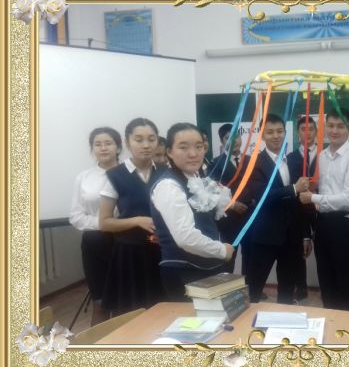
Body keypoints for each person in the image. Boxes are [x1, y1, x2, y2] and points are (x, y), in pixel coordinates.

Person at [150, 123, 234, 300]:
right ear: (169, 151)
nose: (193, 154)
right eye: (183, 147)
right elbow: (186, 237)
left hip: (207, 268)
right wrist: (221, 250)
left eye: (198, 146)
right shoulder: (168, 185)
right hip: (185, 272)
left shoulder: (196, 178)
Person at [299, 107, 349, 312]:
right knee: (325, 278)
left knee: (345, 279)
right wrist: (311, 187)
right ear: (325, 127)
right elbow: (326, 188)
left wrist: (313, 197)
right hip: (323, 223)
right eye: (330, 126)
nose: (334, 131)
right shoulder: (322, 155)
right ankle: (331, 320)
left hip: (344, 225)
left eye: (340, 126)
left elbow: (348, 198)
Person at [98, 118, 166, 315]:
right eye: (139, 139)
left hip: (163, 252)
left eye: (151, 139)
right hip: (129, 255)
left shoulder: (165, 172)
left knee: (163, 312)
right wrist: (137, 221)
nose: (146, 145)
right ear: (127, 143)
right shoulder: (115, 176)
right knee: (131, 314)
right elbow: (104, 223)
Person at [242, 113, 311, 304]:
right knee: (253, 287)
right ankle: (247, 320)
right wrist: (294, 188)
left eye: (280, 131)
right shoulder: (255, 162)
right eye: (270, 132)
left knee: (287, 288)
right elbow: (262, 196)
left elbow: (302, 203)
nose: (275, 136)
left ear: (285, 133)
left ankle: (284, 318)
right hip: (265, 235)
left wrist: (306, 235)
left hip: (292, 236)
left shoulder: (295, 161)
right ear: (262, 135)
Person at [69, 127, 121, 325]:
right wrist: (105, 223)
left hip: (124, 243)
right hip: (95, 243)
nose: (103, 148)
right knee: (100, 303)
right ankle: (97, 344)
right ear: (92, 149)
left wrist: (116, 225)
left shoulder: (129, 174)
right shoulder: (84, 177)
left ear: (118, 147)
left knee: (124, 303)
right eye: (97, 144)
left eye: (108, 143)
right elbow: (76, 216)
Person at [210, 123, 251, 274]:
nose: (234, 141)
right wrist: (232, 204)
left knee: (250, 256)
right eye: (228, 138)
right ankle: (227, 287)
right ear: (222, 142)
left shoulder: (251, 160)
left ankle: (249, 285)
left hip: (250, 216)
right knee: (228, 257)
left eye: (237, 136)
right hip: (228, 219)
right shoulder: (215, 164)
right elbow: (212, 192)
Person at [286, 116, 318, 301]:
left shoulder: (324, 155)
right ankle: (301, 286)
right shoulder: (290, 158)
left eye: (311, 129)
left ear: (316, 132)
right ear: (298, 132)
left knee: (323, 247)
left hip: (321, 208)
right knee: (298, 248)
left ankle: (327, 287)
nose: (307, 133)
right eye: (303, 129)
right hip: (298, 209)